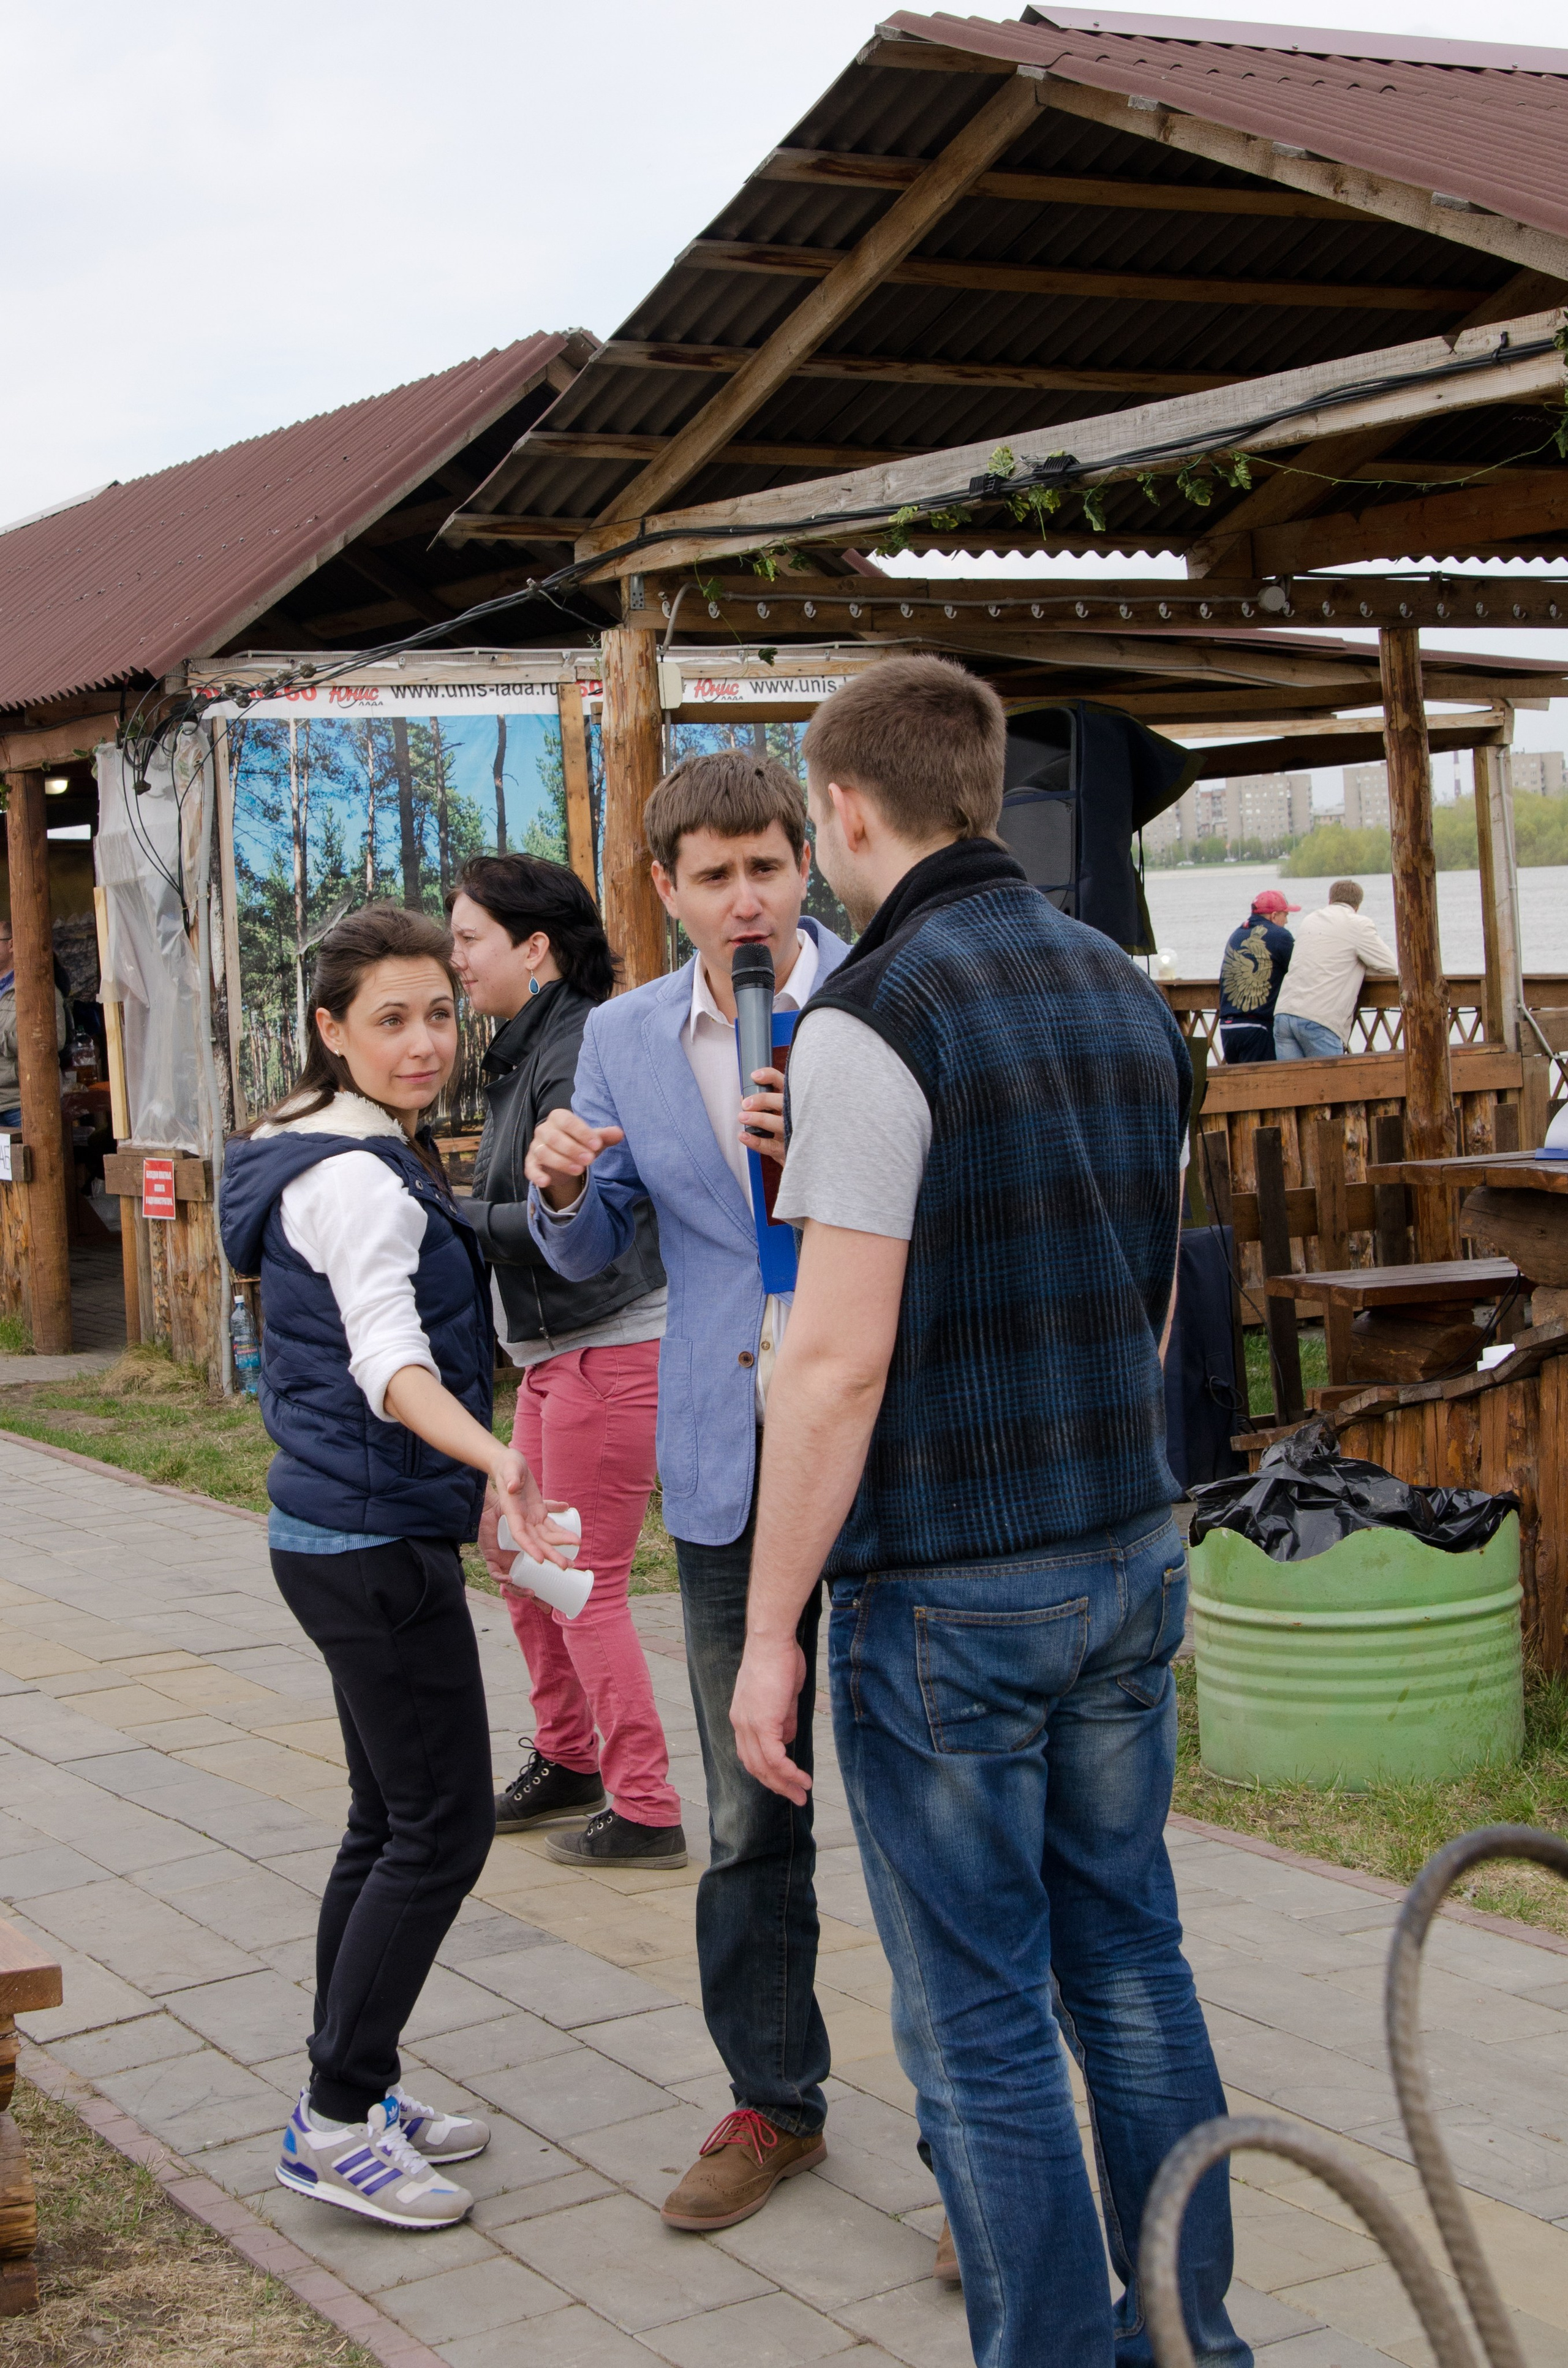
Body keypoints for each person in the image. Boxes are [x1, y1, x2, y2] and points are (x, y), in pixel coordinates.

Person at [729, 656, 1247, 2368]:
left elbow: (830, 1370)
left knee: (986, 2023)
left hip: (953, 1585)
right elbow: (1155, 1306)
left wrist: (764, 1635)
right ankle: (1197, 2340)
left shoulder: (878, 1014)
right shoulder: (1123, 988)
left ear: (846, 815)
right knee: (1135, 1968)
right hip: (1128, 1550)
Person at [522, 750, 850, 2232]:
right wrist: (560, 1187)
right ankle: (772, 2104)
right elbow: (603, 1256)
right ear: (664, 892)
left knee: (924, 1802)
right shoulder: (624, 1036)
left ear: (807, 866)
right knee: (746, 1800)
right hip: (727, 1451)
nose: (744, 900)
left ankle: (986, 2134)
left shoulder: (879, 995)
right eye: (711, 876)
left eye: (765, 869)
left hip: (881, 1443)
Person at [219, 903, 573, 2233]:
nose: (423, 1042)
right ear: (330, 1030)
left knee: (387, 1822)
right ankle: (332, 2117)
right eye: (389, 1020)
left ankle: (354, 2088)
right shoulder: (358, 1176)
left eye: (437, 1012)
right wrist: (498, 1463)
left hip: (342, 1530)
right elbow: (387, 1360)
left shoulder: (329, 1144)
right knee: (441, 1828)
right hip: (367, 1544)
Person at [447, 853, 683, 1865]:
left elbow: (578, 1222)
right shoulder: (521, 1050)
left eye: (469, 939)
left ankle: (646, 1805)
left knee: (581, 1575)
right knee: (513, 1550)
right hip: (555, 1354)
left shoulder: (582, 1043)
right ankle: (569, 1753)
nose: (455, 959)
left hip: (612, 1347)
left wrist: (447, 1219)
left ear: (532, 946)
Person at [1272, 879, 1397, 1059]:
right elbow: (1389, 966)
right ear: (1358, 906)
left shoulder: (1310, 920)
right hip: (1320, 1019)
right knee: (1330, 1085)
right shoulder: (1358, 925)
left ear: (1330, 901)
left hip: (1285, 1014)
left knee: (1292, 1086)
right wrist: (1358, 968)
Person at [0, 913, 67, 1130]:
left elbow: (53, 1039)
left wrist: (2, 1040)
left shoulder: (38, 988)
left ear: (11, 945)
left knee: (36, 1163)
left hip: (24, 1101)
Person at [1216, 887, 1298, 1063]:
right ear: (1274, 916)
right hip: (1256, 1027)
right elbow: (1301, 970)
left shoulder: (1236, 935)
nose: (1287, 921)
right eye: (1286, 915)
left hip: (1228, 1026)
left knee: (1239, 1087)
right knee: (1262, 1087)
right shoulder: (1280, 936)